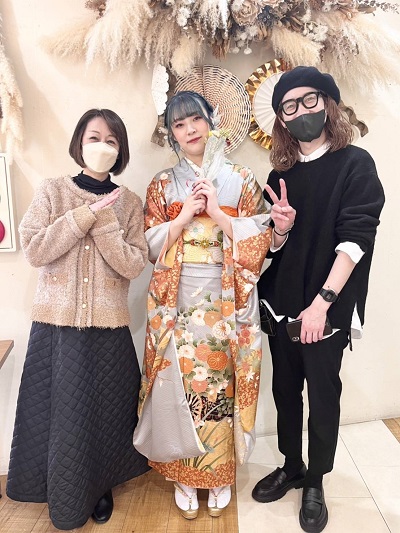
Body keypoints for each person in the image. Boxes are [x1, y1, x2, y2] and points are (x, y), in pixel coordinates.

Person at [132, 90, 281, 519]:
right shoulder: (162, 183)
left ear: (211, 120)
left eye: (195, 119)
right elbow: (148, 246)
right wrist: (182, 218)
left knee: (219, 383)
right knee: (179, 382)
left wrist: (217, 212)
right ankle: (183, 474)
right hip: (177, 300)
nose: (189, 130)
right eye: (179, 125)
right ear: (172, 135)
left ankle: (217, 474)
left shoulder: (242, 179)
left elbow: (260, 241)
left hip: (227, 298)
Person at [253, 66, 385, 533]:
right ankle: (292, 465)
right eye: (289, 106)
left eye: (310, 100)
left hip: (325, 310)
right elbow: (272, 248)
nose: (301, 111)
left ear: (328, 104)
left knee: (323, 395)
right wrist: (280, 230)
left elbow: (355, 239)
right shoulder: (280, 174)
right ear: (281, 120)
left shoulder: (355, 164)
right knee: (285, 391)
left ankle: (315, 480)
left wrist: (322, 303)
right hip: (280, 305)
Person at [6, 109, 150, 530]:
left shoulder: (129, 203)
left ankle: (100, 485)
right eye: (94, 137)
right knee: (62, 414)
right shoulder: (52, 191)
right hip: (55, 328)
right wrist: (81, 216)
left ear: (120, 151)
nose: (102, 146)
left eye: (111, 140)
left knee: (106, 414)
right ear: (79, 143)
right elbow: (35, 250)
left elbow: (133, 264)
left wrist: (104, 225)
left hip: (109, 328)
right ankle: (59, 487)